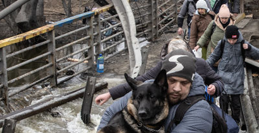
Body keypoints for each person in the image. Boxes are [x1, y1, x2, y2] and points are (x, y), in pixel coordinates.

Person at [95, 38, 223, 106]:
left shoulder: (200, 64)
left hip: (197, 105)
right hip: (171, 106)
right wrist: (110, 94)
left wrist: (215, 87)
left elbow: (220, 81)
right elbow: (141, 81)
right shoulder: (164, 66)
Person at [207, 25, 259, 133]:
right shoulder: (222, 44)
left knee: (236, 106)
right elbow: (213, 57)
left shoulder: (243, 44)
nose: (232, 41)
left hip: (237, 79)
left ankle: (235, 127)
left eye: (234, 39)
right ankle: (223, 126)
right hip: (223, 78)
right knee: (223, 104)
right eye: (230, 39)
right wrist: (203, 67)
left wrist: (249, 48)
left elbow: (258, 55)